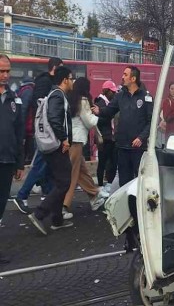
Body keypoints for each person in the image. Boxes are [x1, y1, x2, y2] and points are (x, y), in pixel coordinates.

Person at [28, 66, 74, 235]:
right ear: (65, 80)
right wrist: (64, 139)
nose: (73, 81)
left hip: (51, 144)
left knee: (59, 181)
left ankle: (57, 220)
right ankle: (39, 213)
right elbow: (55, 118)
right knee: (64, 182)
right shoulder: (58, 96)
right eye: (71, 78)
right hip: (57, 145)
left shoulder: (54, 94)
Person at [13, 57, 63, 214]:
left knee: (46, 165)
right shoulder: (45, 83)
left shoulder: (46, 82)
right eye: (61, 68)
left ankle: (47, 197)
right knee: (40, 164)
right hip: (45, 133)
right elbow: (41, 106)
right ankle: (22, 195)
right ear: (54, 68)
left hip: (45, 131)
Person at [91, 66, 152, 185]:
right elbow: (109, 111)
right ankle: (126, 203)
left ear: (133, 78)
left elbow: (151, 121)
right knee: (124, 181)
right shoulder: (120, 96)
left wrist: (141, 137)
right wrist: (99, 111)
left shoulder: (145, 97)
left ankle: (137, 203)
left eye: (125, 74)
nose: (122, 77)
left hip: (138, 148)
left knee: (139, 181)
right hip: (122, 146)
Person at [62, 78, 107, 218]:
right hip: (77, 140)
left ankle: (94, 196)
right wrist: (98, 116)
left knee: (82, 171)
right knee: (74, 174)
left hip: (70, 139)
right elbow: (88, 121)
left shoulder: (71, 98)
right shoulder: (83, 100)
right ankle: (64, 206)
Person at [0, 55, 25, 262]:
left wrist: (19, 162)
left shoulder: (14, 98)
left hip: (7, 161)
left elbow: (19, 132)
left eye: (7, 71)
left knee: (1, 206)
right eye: (1, 71)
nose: (5, 75)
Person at [96, 81, 117, 189]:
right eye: (112, 91)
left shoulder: (112, 103)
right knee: (102, 162)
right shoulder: (99, 103)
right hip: (104, 137)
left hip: (112, 137)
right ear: (106, 91)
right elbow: (98, 120)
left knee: (113, 162)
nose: (114, 94)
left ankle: (109, 183)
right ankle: (100, 185)